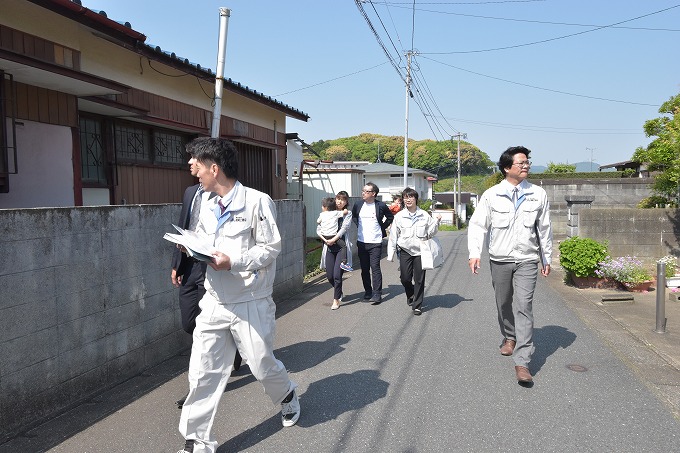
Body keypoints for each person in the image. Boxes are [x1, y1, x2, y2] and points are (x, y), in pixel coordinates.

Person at [177, 137, 299, 453]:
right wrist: (191, 245)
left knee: (260, 363)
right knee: (203, 372)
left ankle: (286, 393)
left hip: (251, 301)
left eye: (197, 164)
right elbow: (204, 237)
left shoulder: (257, 202)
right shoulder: (204, 201)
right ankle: (196, 440)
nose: (192, 169)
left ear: (214, 168)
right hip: (214, 300)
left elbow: (271, 247)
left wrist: (235, 262)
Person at [467, 146, 553, 384]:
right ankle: (509, 336)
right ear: (507, 168)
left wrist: (547, 257)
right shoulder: (492, 195)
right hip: (500, 258)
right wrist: (475, 253)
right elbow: (478, 225)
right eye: (521, 163)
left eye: (527, 162)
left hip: (527, 258)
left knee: (524, 305)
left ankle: (523, 361)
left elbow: (544, 228)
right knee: (503, 302)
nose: (526, 166)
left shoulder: (538, 194)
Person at [170, 153, 241, 409]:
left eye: (194, 160)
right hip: (190, 265)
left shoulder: (228, 193)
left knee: (204, 330)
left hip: (214, 266)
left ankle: (197, 390)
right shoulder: (190, 192)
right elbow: (183, 226)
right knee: (189, 322)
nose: (190, 164)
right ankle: (231, 345)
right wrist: (176, 264)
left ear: (212, 166)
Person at [387, 187, 441, 315]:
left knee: (419, 279)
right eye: (405, 197)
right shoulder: (400, 216)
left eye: (410, 197)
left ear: (416, 199)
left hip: (421, 251)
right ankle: (410, 293)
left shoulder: (424, 215)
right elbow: (393, 235)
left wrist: (437, 222)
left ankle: (417, 305)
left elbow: (431, 233)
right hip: (405, 250)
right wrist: (391, 253)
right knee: (405, 278)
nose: (408, 199)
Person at [351, 182, 394, 305]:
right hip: (361, 242)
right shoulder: (358, 205)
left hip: (375, 242)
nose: (363, 193)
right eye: (363, 191)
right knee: (364, 269)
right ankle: (368, 291)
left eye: (366, 191)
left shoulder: (380, 205)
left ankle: (377, 294)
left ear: (373, 194)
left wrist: (382, 228)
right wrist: (359, 226)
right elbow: (354, 217)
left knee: (375, 268)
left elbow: (390, 217)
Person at [318, 191, 354, 310]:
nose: (339, 201)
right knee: (329, 276)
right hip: (329, 247)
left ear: (346, 202)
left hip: (340, 247)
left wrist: (333, 239)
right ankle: (339, 291)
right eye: (338, 198)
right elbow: (319, 228)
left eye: (343, 200)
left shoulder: (347, 213)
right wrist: (325, 239)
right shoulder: (327, 212)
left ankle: (336, 300)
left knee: (337, 275)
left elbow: (344, 228)